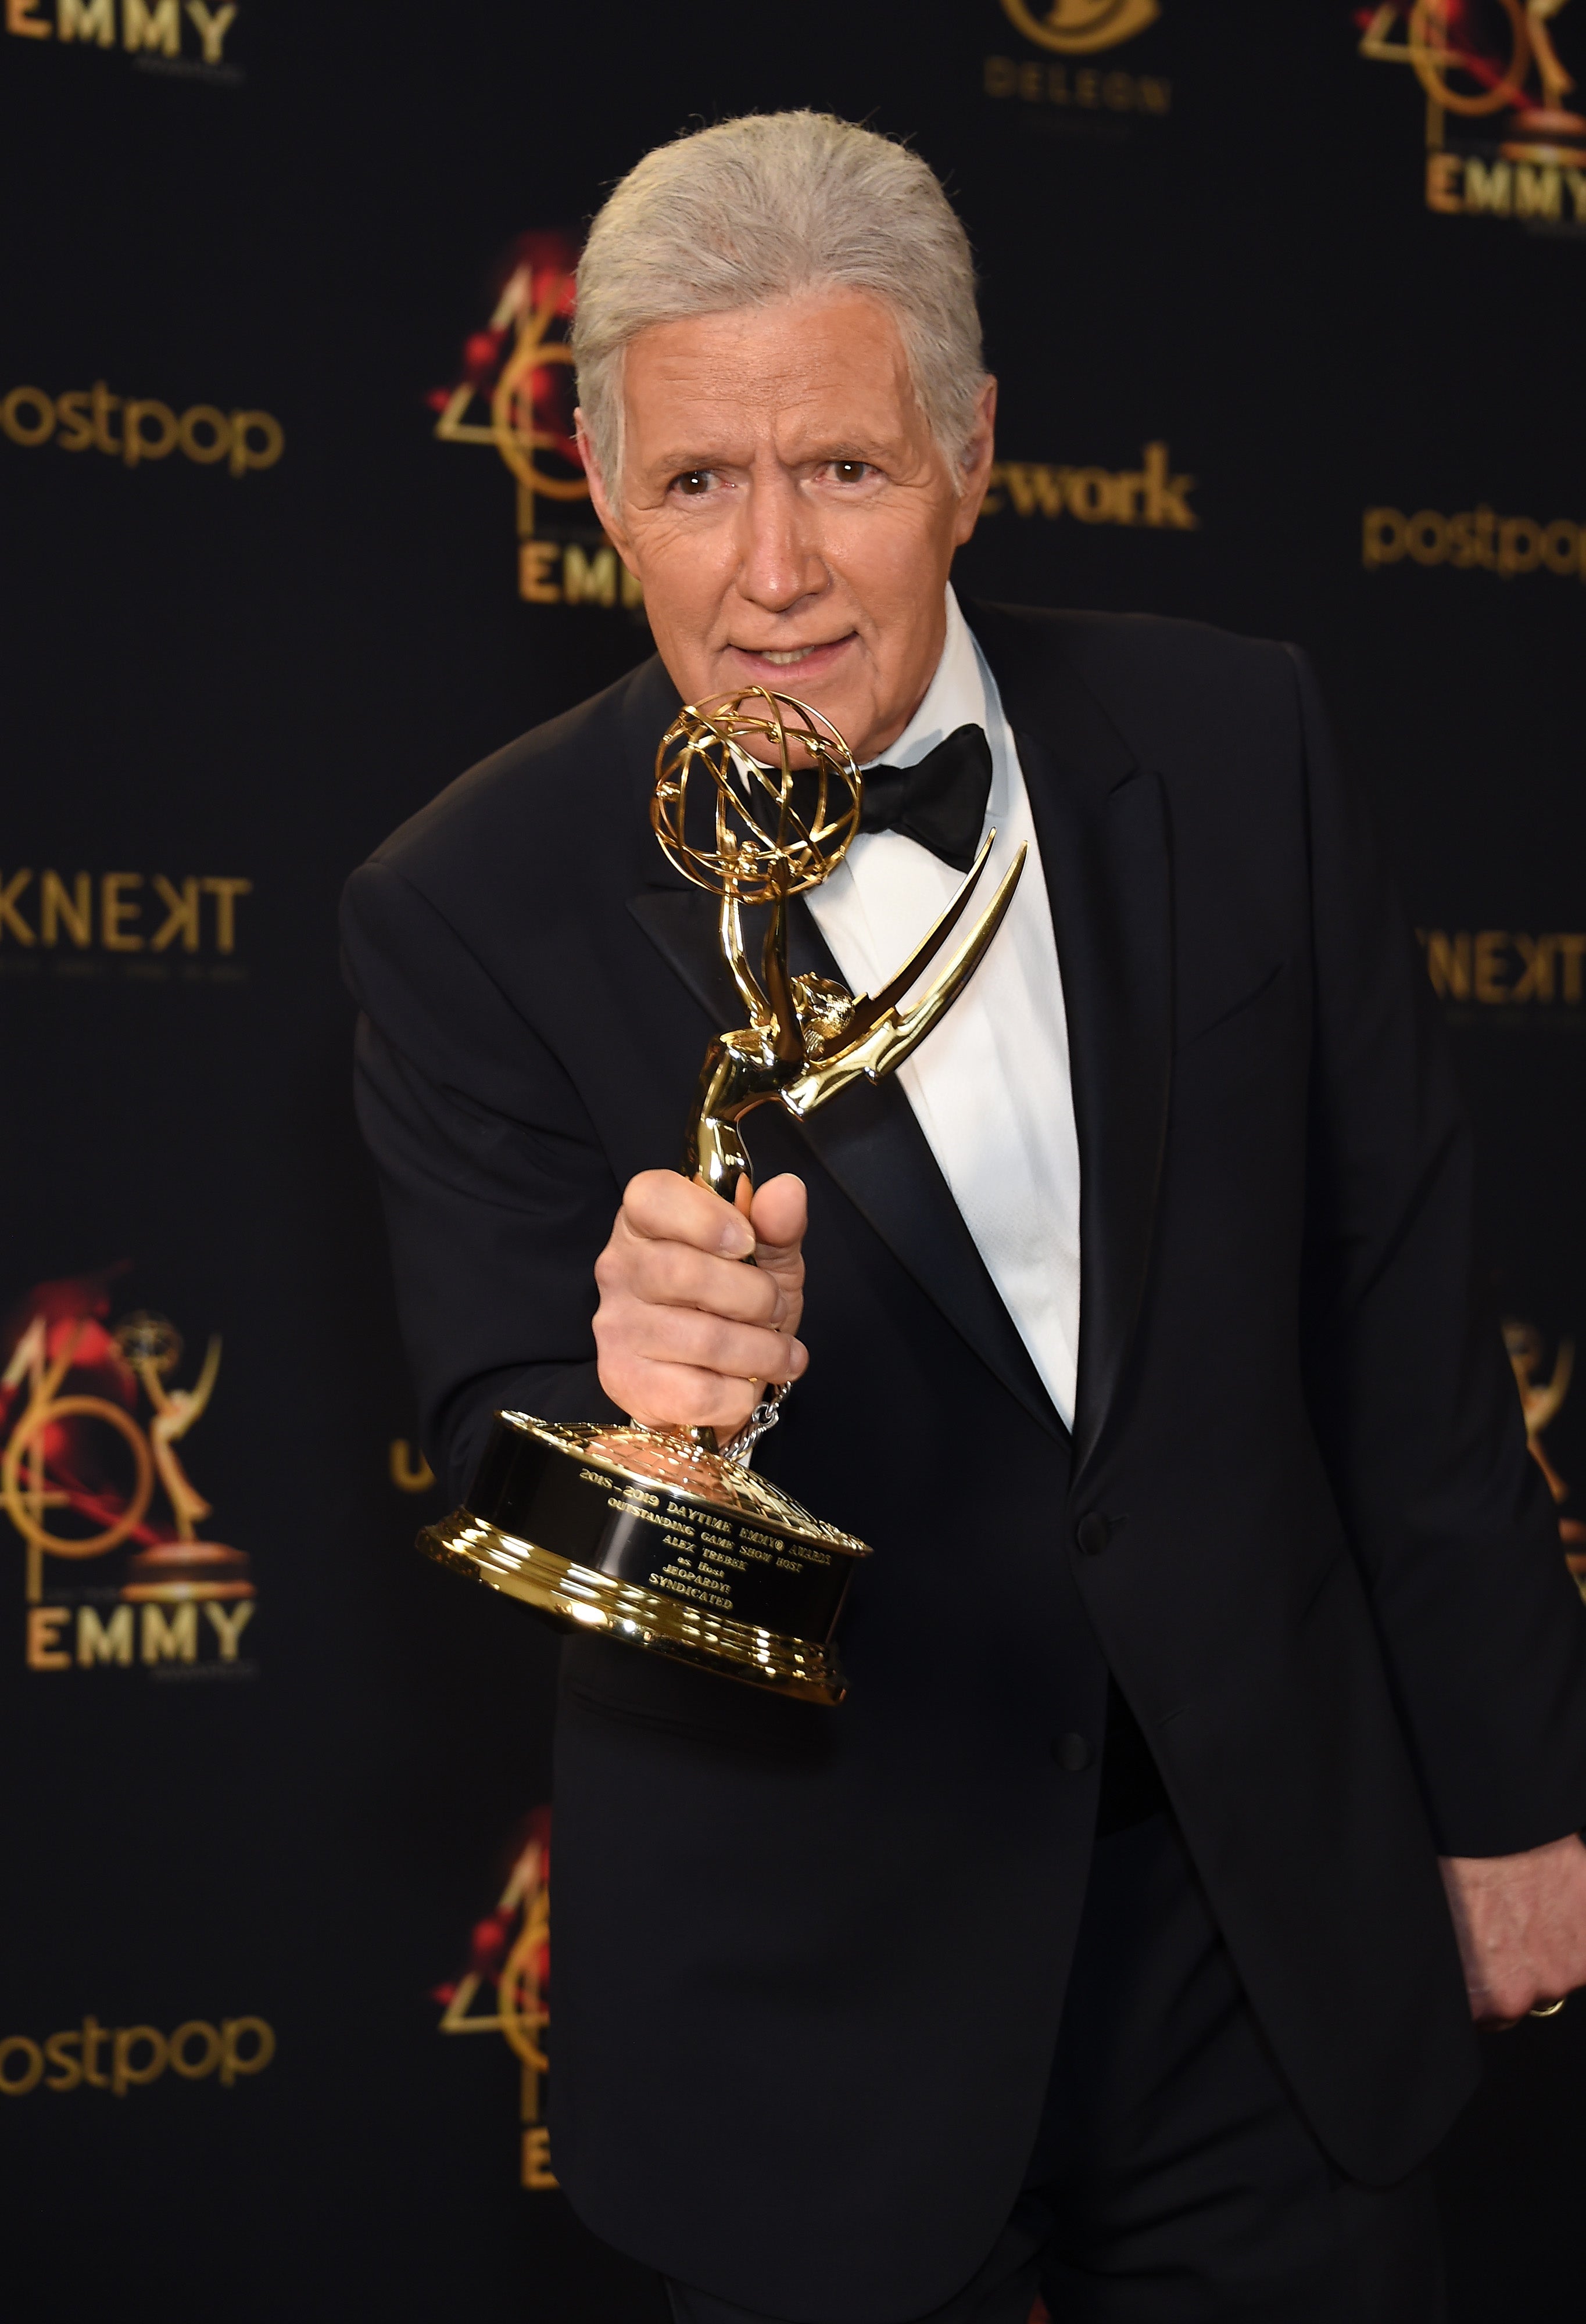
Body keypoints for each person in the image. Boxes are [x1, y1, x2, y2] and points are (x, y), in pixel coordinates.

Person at [341, 112, 1586, 2324]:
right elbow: (499, 1460)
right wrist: (644, 1426)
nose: (773, 575)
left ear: (974, 452)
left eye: (843, 468)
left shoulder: (1237, 741)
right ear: (604, 487)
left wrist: (1510, 1807)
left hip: (1265, 1938)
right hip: (814, 2003)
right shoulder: (465, 906)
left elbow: (1397, 1319)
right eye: (699, 485)